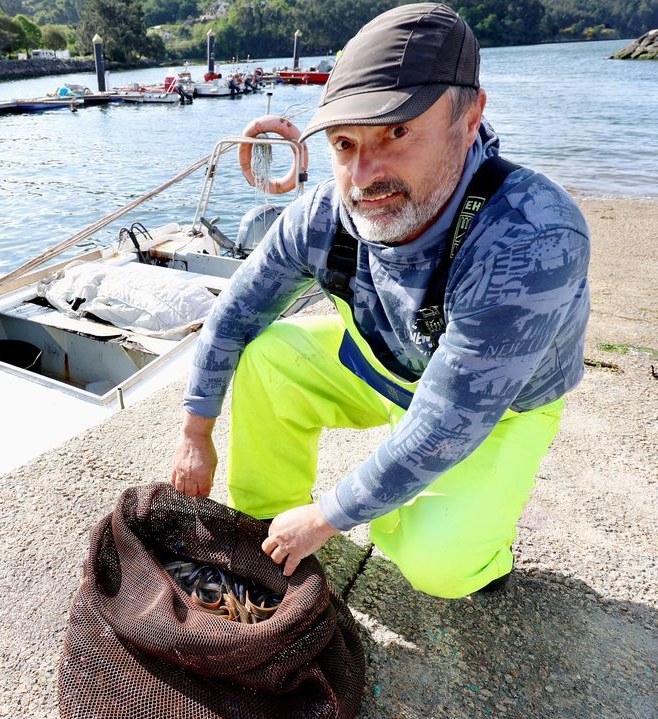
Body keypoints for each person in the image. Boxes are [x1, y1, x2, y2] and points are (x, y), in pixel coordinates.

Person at [169, 2, 591, 599]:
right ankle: (266, 526)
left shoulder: (531, 237)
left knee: (439, 566)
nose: (365, 176)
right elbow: (235, 313)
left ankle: (481, 551)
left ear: (469, 116)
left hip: (497, 409)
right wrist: (196, 432)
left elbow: (449, 420)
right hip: (385, 365)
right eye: (345, 143)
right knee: (267, 355)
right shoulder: (322, 215)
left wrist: (329, 515)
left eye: (397, 132)